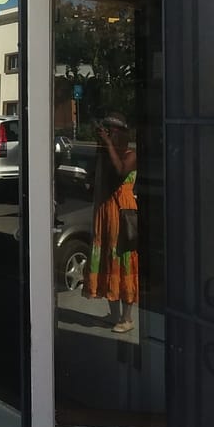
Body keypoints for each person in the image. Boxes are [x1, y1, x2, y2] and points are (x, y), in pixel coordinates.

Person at [82, 112, 138, 333]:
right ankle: (114, 313)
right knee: (106, 258)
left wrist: (107, 144)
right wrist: (101, 148)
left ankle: (127, 317)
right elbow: (94, 176)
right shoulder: (106, 154)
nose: (109, 136)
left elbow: (120, 170)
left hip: (122, 212)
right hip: (104, 211)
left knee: (122, 262)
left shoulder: (131, 155)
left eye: (112, 132)